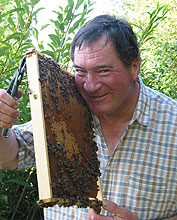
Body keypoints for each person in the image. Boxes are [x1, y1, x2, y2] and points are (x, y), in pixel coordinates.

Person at [0, 14, 177, 220]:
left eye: (103, 71)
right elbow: (9, 155)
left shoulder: (172, 123)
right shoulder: (63, 110)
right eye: (80, 71)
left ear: (134, 67)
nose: (90, 86)